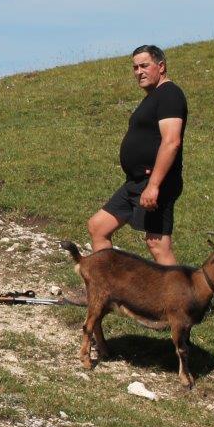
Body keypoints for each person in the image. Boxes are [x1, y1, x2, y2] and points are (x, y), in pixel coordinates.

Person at [87, 45, 187, 265]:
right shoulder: (154, 97)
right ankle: (110, 293)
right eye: (135, 67)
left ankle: (183, 299)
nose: (138, 72)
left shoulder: (170, 94)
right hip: (136, 182)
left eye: (144, 66)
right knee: (98, 227)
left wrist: (153, 185)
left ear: (161, 66)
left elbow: (171, 142)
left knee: (157, 245)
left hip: (154, 180)